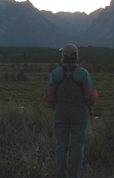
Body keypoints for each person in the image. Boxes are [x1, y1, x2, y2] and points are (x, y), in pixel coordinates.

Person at [44, 43, 97, 178]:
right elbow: (91, 95)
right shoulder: (83, 73)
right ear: (76, 57)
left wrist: (55, 107)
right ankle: (74, 175)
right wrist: (88, 108)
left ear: (63, 56)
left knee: (61, 146)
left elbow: (48, 95)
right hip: (80, 114)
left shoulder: (56, 73)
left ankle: (62, 175)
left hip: (61, 113)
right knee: (77, 147)